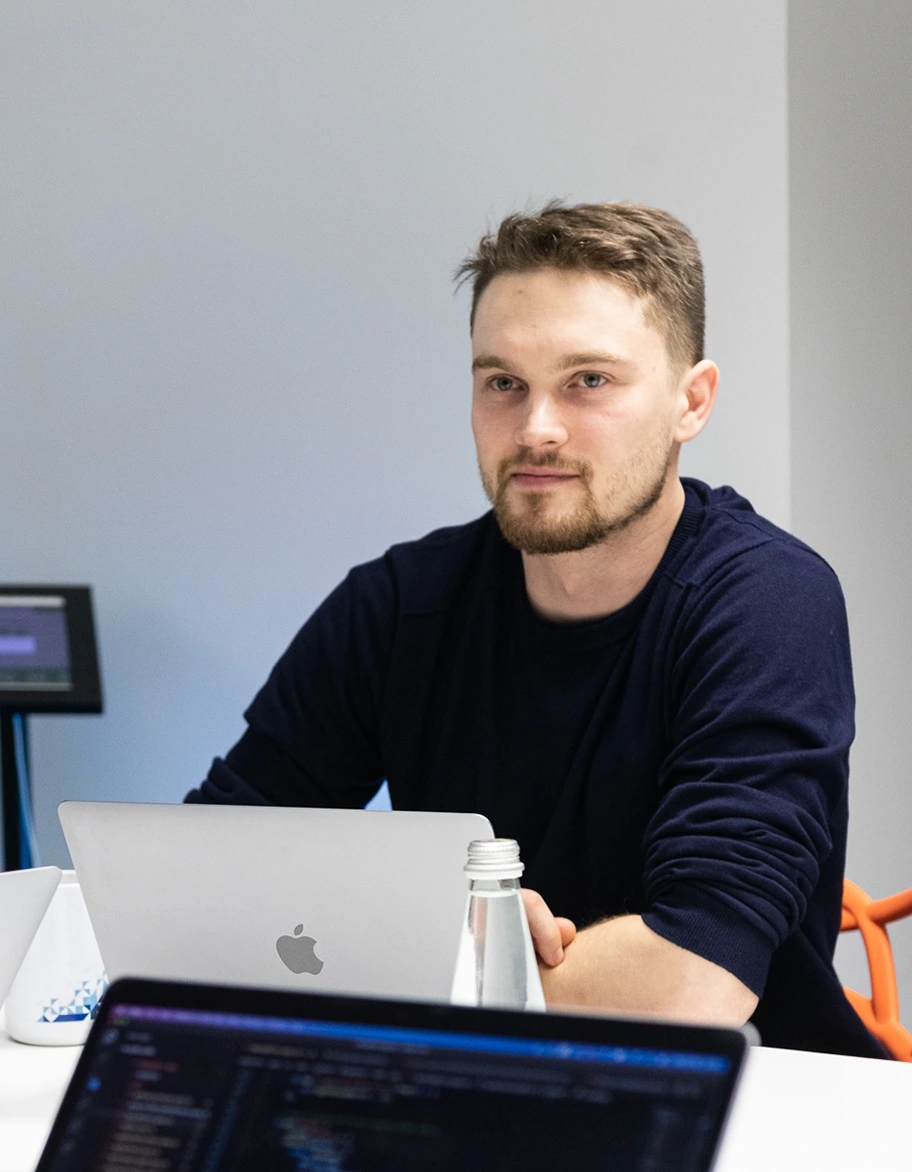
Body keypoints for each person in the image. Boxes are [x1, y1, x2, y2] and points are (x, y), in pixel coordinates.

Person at [187, 201, 884, 1057]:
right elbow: (200, 880)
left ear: (690, 402)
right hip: (462, 1086)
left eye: (589, 380)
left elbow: (695, 981)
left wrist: (447, 964)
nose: (536, 428)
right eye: (502, 382)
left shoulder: (766, 601)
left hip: (756, 1102)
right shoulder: (399, 604)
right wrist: (435, 924)